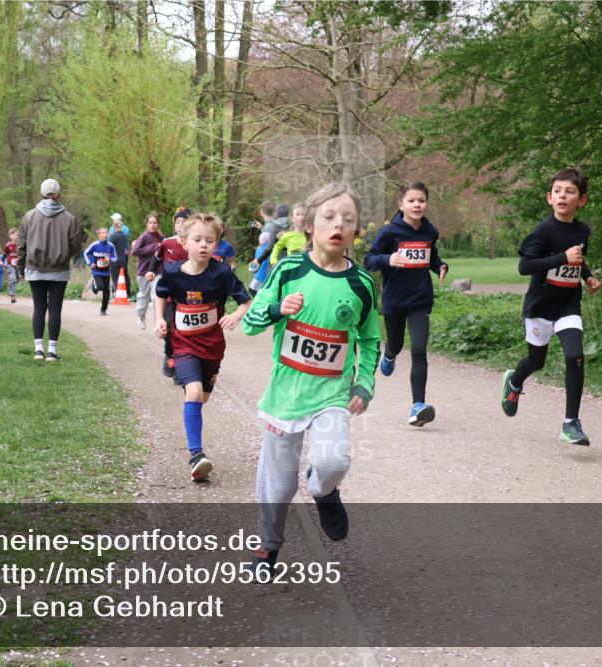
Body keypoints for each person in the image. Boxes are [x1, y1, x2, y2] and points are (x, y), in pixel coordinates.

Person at [242, 182, 380, 576]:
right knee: (278, 486)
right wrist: (276, 310)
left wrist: (364, 383)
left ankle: (323, 490)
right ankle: (268, 547)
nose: (338, 225)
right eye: (329, 217)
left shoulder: (362, 285)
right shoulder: (288, 270)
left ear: (356, 232)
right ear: (309, 226)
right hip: (286, 396)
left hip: (331, 396)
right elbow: (251, 323)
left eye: (348, 220)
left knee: (333, 460)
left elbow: (370, 341)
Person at [499, 168, 602, 445]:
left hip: (568, 305)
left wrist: (588, 276)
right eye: (558, 191)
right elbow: (525, 267)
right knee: (536, 361)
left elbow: (577, 260)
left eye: (569, 192)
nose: (562, 196)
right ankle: (515, 381)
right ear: (549, 197)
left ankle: (571, 423)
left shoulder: (582, 231)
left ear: (581, 200)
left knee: (575, 356)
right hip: (540, 307)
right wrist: (561, 257)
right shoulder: (543, 231)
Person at [154, 213, 251, 481]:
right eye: (197, 239)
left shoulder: (221, 273)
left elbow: (245, 300)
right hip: (183, 343)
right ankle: (196, 456)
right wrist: (160, 319)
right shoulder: (173, 272)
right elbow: (160, 296)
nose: (203, 245)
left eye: (210, 240)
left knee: (203, 396)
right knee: (194, 393)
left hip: (212, 346)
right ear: (184, 242)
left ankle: (203, 383)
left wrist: (234, 316)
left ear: (217, 244)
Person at [364, 182, 448, 427]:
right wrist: (389, 258)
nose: (417, 205)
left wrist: (441, 266)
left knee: (419, 350)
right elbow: (369, 259)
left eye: (421, 200)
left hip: (420, 299)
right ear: (401, 205)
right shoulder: (391, 232)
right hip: (394, 300)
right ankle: (389, 354)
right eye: (411, 201)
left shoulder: (429, 232)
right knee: (397, 344)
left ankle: (418, 405)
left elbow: (431, 256)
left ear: (426, 204)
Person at [17, 178, 85, 361]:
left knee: (39, 308)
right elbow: (76, 244)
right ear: (58, 194)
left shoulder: (29, 216)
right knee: (55, 309)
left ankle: (38, 349)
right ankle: (52, 351)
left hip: (35, 268)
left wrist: (20, 266)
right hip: (59, 270)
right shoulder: (70, 218)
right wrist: (65, 254)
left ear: (41, 193)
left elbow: (21, 244)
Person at [147, 208, 191, 379]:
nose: (180, 225)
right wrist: (151, 271)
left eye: (184, 222)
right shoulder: (167, 243)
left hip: (190, 295)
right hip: (170, 295)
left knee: (185, 329)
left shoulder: (194, 244)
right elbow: (156, 258)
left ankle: (184, 364)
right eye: (178, 222)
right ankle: (169, 355)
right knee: (170, 327)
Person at [132, 212, 164, 330]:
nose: (153, 225)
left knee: (157, 295)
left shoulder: (162, 238)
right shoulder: (144, 237)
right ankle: (140, 316)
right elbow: (135, 251)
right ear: (147, 224)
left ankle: (158, 321)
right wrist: (152, 248)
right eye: (150, 223)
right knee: (144, 296)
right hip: (143, 271)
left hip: (157, 271)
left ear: (158, 225)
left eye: (155, 223)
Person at [84, 227, 118, 316]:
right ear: (99, 235)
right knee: (100, 286)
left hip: (106, 271)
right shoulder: (94, 245)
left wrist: (110, 258)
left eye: (106, 233)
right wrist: (90, 263)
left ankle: (103, 309)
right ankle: (94, 284)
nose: (105, 235)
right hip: (96, 271)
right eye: (103, 233)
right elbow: (85, 253)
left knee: (106, 291)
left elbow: (115, 258)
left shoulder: (111, 246)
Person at [108, 213, 131, 296]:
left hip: (115, 259)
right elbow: (127, 248)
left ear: (114, 226)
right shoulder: (125, 234)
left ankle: (117, 293)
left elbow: (109, 247)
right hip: (124, 258)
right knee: (125, 275)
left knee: (115, 276)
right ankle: (127, 293)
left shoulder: (113, 236)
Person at [3, 228, 19, 303]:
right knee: (12, 279)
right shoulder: (8, 246)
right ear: (10, 236)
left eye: (17, 235)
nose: (15, 236)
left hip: (20, 265)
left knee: (17, 279)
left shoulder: (21, 245)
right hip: (10, 265)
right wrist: (0, 260)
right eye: (13, 235)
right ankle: (12, 295)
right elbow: (4, 254)